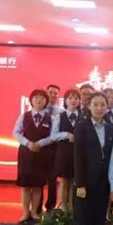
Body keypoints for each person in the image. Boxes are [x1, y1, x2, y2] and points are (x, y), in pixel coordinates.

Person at [73, 92, 113, 225]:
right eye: (95, 104)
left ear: (107, 107)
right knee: (84, 221)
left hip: (103, 182)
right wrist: (80, 183)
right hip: (85, 183)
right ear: (89, 106)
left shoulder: (111, 129)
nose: (99, 108)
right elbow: (78, 157)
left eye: (102, 104)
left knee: (98, 222)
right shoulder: (81, 126)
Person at [13, 89, 54, 223]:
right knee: (25, 185)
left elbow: (52, 136)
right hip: (26, 153)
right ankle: (25, 213)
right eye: (36, 98)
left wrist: (40, 144)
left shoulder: (50, 118)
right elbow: (16, 133)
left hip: (42, 154)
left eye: (42, 98)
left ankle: (35, 212)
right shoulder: (24, 116)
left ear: (46, 101)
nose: (39, 100)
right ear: (30, 100)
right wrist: (28, 143)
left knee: (37, 185)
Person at [51, 89, 81, 212]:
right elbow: (53, 135)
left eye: (76, 98)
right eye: (70, 98)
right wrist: (66, 135)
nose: (73, 101)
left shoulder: (84, 117)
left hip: (78, 153)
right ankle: (63, 208)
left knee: (74, 180)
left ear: (79, 101)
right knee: (64, 180)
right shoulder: (59, 116)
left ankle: (72, 207)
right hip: (64, 153)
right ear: (65, 101)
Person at [39, 84, 64, 213]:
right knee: (39, 178)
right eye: (50, 92)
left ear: (58, 96)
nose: (53, 95)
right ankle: (37, 207)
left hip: (55, 148)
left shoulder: (61, 112)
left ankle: (51, 206)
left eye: (55, 93)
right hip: (40, 149)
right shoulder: (39, 110)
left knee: (52, 179)